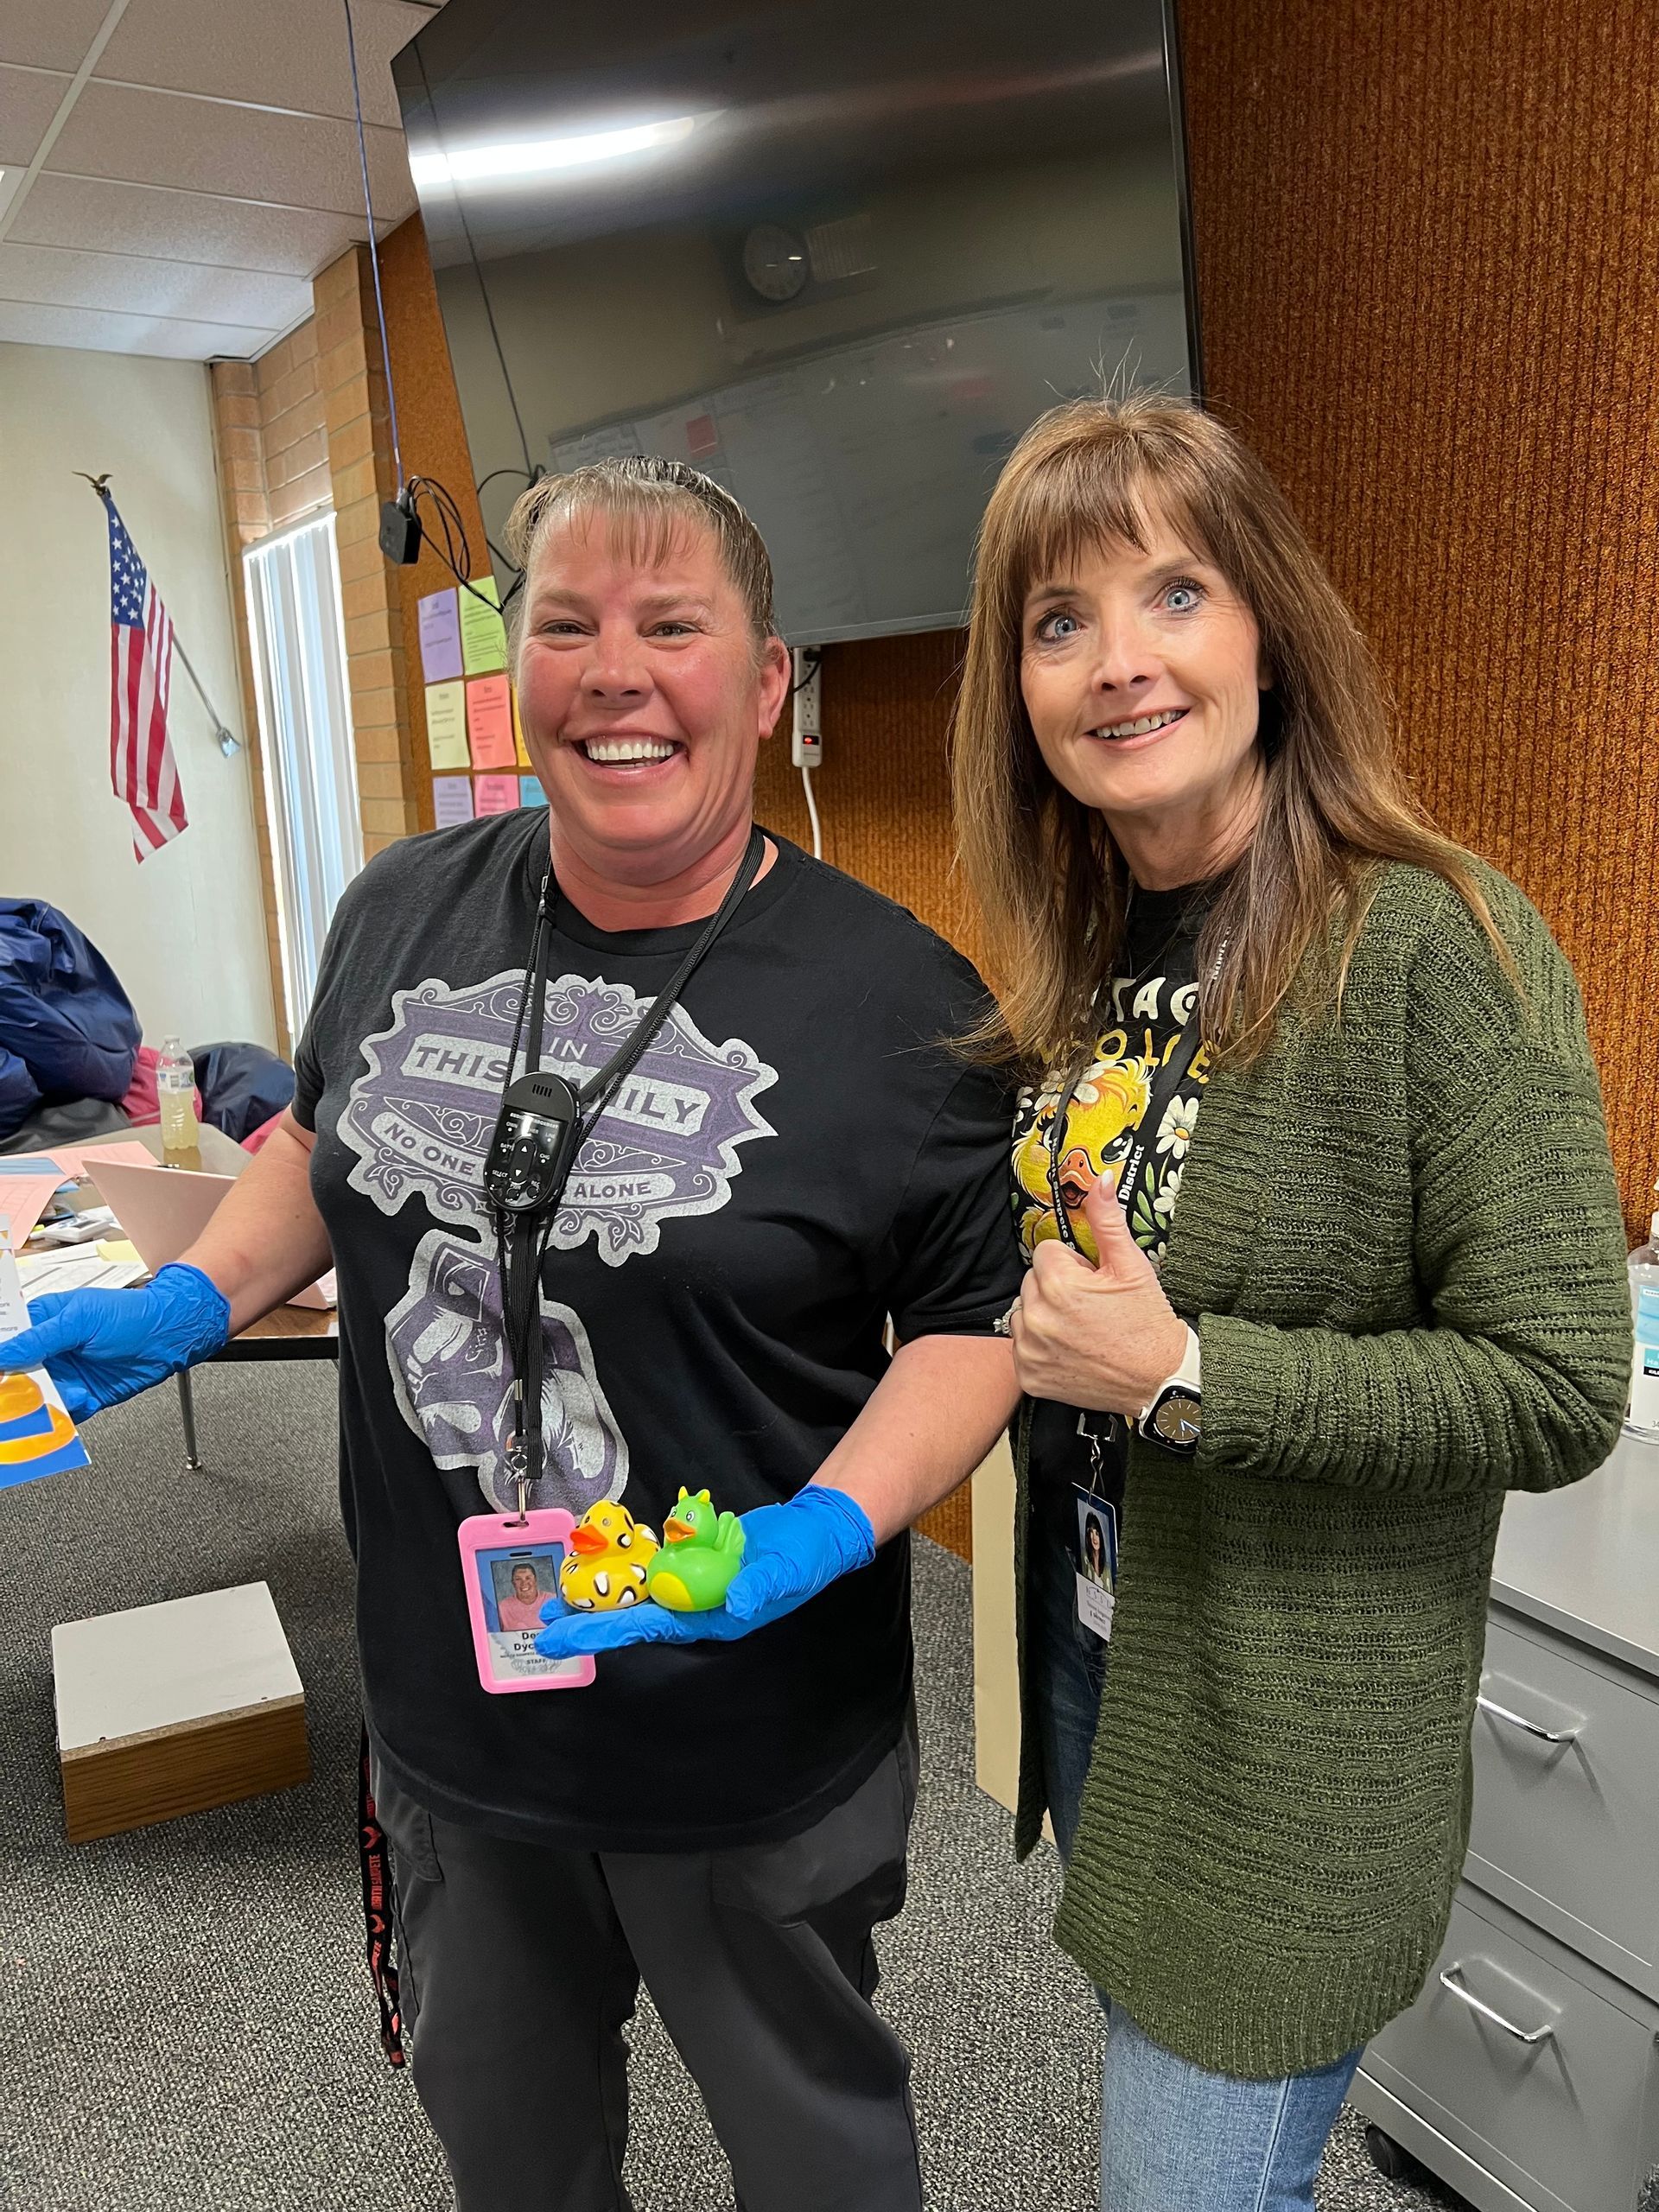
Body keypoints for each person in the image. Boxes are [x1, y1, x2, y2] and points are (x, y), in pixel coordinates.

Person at [0, 457, 1022, 2212]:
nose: (616, 672)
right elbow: (324, 1148)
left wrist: (831, 1524)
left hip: (743, 1727)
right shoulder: (400, 907)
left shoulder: (903, 1000)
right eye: (567, 624)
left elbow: (976, 1322)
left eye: (674, 625)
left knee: (818, 2146)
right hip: (453, 1719)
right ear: (521, 664)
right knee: (512, 2148)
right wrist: (193, 1291)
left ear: (768, 681)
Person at [947, 392, 1631, 2210]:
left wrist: (1185, 1370)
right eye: (1059, 618)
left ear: (1269, 627)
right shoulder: (1093, 956)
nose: (1119, 661)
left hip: (1297, 1764)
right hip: (1122, 1673)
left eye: (1175, 591)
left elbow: (1559, 1382)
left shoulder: (1439, 944)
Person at [496, 1561, 548, 1633]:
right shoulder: (502, 1608)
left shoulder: (552, 1600)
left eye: (528, 1578)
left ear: (535, 1580)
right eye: (518, 1579)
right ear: (513, 1583)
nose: (524, 1583)